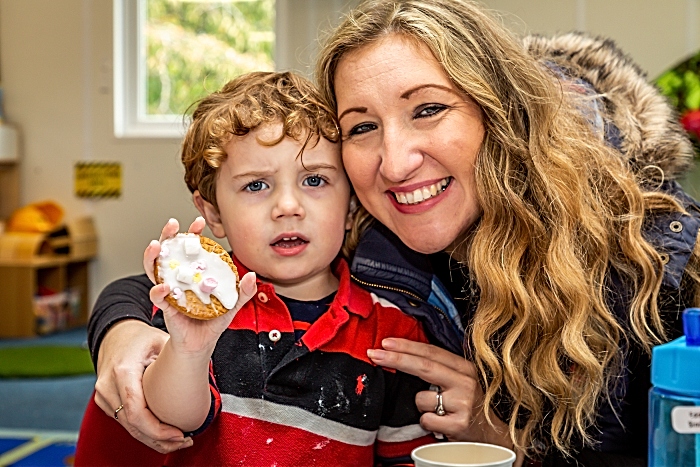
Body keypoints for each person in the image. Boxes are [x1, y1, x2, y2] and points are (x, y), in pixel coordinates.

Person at [78, 1, 700, 466]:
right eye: (361, 126)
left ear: (501, 114)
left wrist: (510, 440)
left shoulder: (662, 263)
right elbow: (199, 283)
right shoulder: (372, 233)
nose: (395, 162)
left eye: (427, 109)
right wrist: (123, 326)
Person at [78, 71, 440, 466]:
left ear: (351, 206)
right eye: (256, 186)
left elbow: (404, 456)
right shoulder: (198, 304)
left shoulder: (393, 331)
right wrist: (189, 351)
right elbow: (170, 421)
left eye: (314, 180)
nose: (288, 206)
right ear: (212, 213)